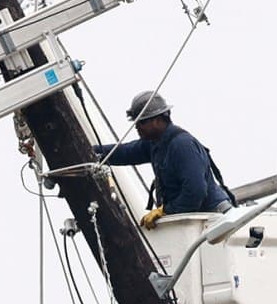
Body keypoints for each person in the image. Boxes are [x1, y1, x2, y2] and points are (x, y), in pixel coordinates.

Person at [94, 91, 235, 229]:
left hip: (215, 221)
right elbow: (125, 152)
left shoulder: (182, 145)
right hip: (197, 221)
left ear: (157, 120)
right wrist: (93, 152)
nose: (136, 127)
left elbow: (195, 191)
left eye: (141, 122)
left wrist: (166, 211)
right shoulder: (155, 144)